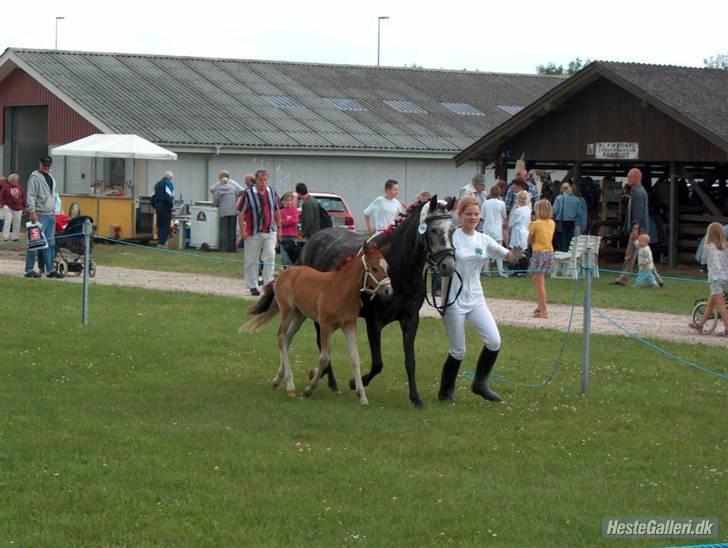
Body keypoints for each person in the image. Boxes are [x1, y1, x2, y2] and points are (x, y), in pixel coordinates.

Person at [438, 196, 522, 403]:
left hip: (476, 299)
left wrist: (520, 254)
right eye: (469, 214)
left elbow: (508, 255)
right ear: (460, 215)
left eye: (476, 214)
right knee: (458, 350)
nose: (473, 218)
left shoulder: (484, 241)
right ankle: (445, 393)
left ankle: (480, 383)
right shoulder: (451, 238)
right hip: (453, 301)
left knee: (494, 341)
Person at [612, 168, 663, 286]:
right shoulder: (636, 191)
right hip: (640, 229)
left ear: (636, 177)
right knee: (645, 254)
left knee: (630, 255)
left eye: (629, 177)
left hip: (639, 230)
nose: (628, 179)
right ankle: (658, 279)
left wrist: (635, 228)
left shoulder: (638, 193)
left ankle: (623, 279)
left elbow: (639, 212)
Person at [237, 168, 281, 296]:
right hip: (253, 231)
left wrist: (279, 228)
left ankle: (268, 284)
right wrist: (242, 230)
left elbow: (277, 210)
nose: (263, 182)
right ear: (255, 180)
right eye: (261, 180)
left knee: (270, 256)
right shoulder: (248, 194)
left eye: (265, 179)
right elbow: (241, 212)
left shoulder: (272, 192)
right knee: (252, 258)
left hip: (270, 230)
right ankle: (252, 285)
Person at [25, 156, 63, 279]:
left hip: (50, 214)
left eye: (48, 165)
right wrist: (32, 211)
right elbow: (31, 195)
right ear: (40, 164)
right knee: (34, 242)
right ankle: (29, 269)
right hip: (39, 214)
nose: (46, 167)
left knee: (50, 243)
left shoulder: (51, 177)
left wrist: (54, 211)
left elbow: (53, 195)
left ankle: (50, 269)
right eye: (44, 165)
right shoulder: (34, 178)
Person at [689, 222, 728, 336]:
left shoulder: (708, 246)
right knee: (711, 303)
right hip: (726, 278)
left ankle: (727, 329)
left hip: (715, 279)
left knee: (721, 306)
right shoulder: (726, 245)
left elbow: (703, 260)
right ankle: (700, 325)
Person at [529, 199, 556, 318]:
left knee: (539, 282)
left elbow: (530, 238)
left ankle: (544, 308)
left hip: (539, 252)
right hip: (549, 252)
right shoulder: (552, 223)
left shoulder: (536, 223)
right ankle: (540, 305)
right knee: (538, 279)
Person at [210, 170, 244, 252]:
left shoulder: (218, 186)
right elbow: (242, 190)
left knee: (223, 230)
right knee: (232, 230)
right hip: (233, 210)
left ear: (221, 177)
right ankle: (232, 248)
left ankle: (223, 248)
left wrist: (216, 204)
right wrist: (236, 197)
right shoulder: (233, 185)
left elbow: (212, 191)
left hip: (223, 211)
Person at [481, 185, 507, 277]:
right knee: (499, 252)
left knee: (486, 252)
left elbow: (482, 217)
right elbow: (504, 216)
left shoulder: (485, 203)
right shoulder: (502, 203)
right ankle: (500, 271)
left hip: (487, 230)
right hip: (497, 231)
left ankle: (486, 270)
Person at [508, 190, 531, 276]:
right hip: (525, 231)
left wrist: (509, 230)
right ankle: (522, 270)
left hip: (517, 231)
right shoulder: (528, 210)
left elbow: (511, 222)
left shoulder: (518, 211)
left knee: (515, 252)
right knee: (522, 251)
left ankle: (515, 269)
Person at [553, 182, 580, 251]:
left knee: (562, 240)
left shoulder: (559, 198)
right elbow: (578, 213)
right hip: (572, 221)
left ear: (562, 189)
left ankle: (563, 255)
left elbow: (555, 211)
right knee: (570, 239)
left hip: (561, 221)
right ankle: (569, 254)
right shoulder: (577, 199)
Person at [152, 170, 175, 248]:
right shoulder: (168, 183)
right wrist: (171, 205)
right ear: (169, 177)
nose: (171, 179)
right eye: (171, 178)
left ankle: (159, 241)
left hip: (158, 206)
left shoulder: (157, 184)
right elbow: (169, 196)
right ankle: (163, 243)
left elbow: (153, 196)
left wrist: (155, 205)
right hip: (165, 206)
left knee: (160, 224)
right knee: (165, 224)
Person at [1, 173, 25, 242]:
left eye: (17, 180)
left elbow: (23, 196)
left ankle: (15, 237)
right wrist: (2, 204)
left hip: (18, 207)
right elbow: (1, 196)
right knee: (7, 221)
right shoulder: (6, 187)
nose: (17, 181)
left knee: (17, 222)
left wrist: (24, 205)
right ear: (11, 180)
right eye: (15, 180)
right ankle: (6, 237)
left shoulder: (19, 187)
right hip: (8, 207)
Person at [279, 191, 300, 267]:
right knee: (284, 254)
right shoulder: (281, 211)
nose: (288, 202)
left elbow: (295, 220)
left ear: (292, 201)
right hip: (283, 235)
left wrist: (286, 221)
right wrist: (288, 220)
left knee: (293, 254)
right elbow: (280, 222)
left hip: (292, 235)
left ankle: (292, 267)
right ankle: (285, 267)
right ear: (283, 201)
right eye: (286, 200)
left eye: (290, 200)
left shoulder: (295, 210)